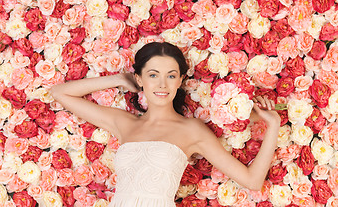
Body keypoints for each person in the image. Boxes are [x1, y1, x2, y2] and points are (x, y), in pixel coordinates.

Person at [50, 42, 281, 206]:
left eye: (171, 76)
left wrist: (274, 125)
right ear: (139, 78)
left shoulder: (191, 130)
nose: (162, 84)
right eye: (152, 75)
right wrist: (119, 79)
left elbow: (252, 180)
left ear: (180, 80)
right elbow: (60, 93)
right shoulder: (124, 123)